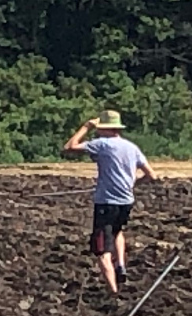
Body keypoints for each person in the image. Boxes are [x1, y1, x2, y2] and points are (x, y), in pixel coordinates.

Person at [63, 110, 157, 294]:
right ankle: (120, 264)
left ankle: (113, 291)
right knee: (117, 231)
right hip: (126, 201)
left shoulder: (102, 144)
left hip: (106, 202)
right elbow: (152, 175)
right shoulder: (132, 147)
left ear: (104, 129)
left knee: (101, 250)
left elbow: (70, 147)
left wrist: (86, 126)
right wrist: (131, 184)